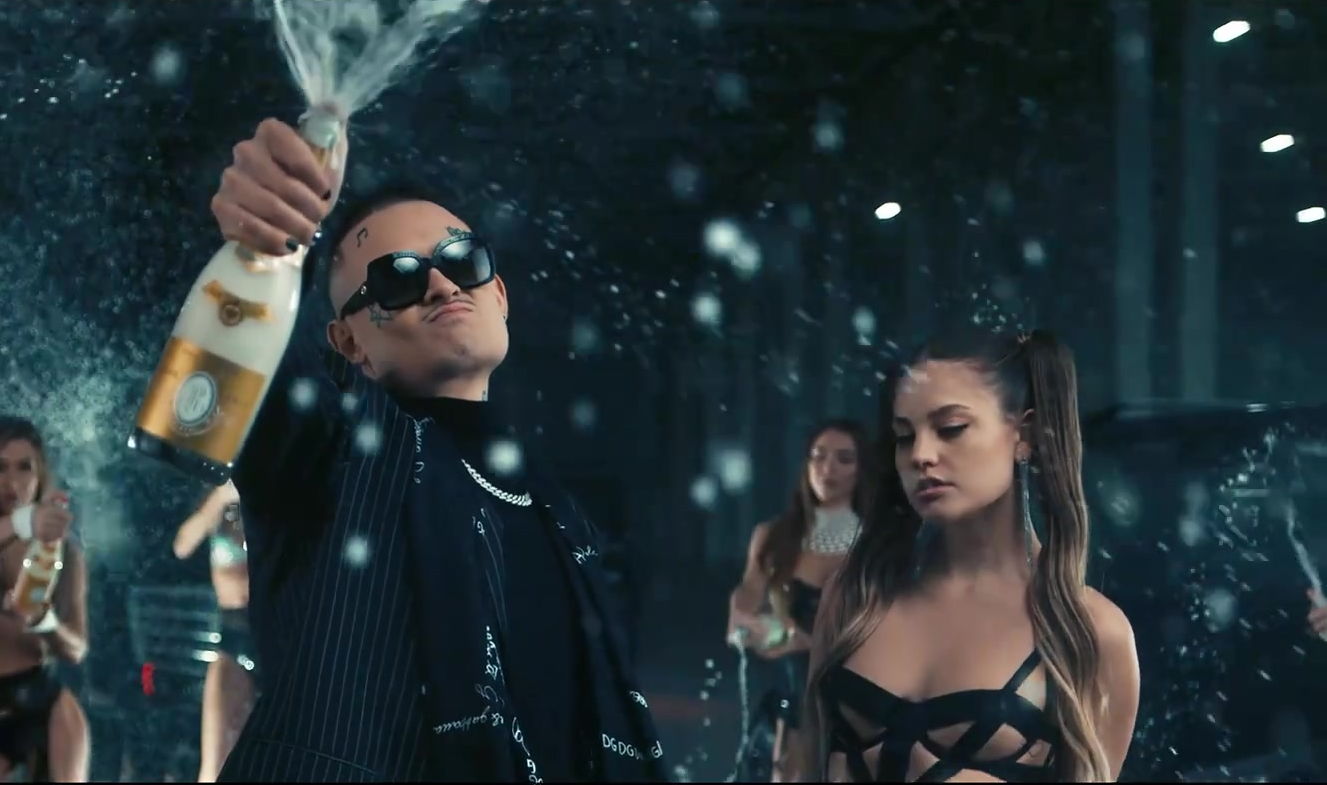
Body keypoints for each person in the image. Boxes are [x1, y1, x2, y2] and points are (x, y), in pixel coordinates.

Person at [204, 117, 665, 782]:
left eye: (463, 261)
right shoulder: (333, 449)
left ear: (498, 294)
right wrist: (259, 249)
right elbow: (254, 374)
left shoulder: (560, 513)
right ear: (349, 342)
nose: (443, 286)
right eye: (397, 278)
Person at [805, 328, 1141, 782]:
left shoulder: (1091, 632)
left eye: (951, 429)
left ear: (1025, 434)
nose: (921, 455)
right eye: (904, 436)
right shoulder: (854, 596)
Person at [727, 419, 872, 781]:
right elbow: (741, 618)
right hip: (791, 705)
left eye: (843, 459)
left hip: (857, 709)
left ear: (862, 470)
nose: (827, 468)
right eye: (818, 456)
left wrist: (813, 642)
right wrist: (769, 631)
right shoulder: (774, 537)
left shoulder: (875, 547)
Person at [0, 416, 89, 782]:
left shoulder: (62, 553)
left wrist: (44, 622)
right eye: (0, 467)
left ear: (40, 475)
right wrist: (23, 522)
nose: (12, 482)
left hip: (41, 696)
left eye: (25, 467)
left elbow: (77, 648)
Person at [172, 481, 257, 782]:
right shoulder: (219, 497)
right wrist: (221, 496)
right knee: (216, 765)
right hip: (233, 637)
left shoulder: (280, 492)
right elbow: (182, 546)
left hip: (283, 638)